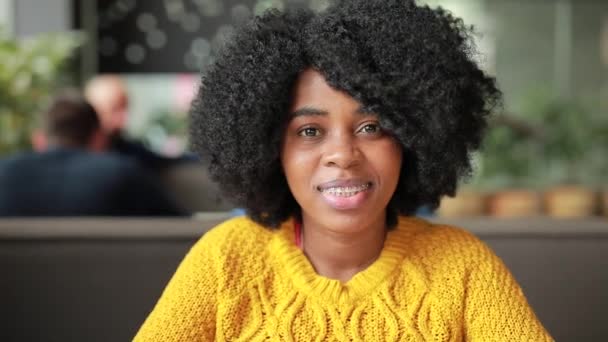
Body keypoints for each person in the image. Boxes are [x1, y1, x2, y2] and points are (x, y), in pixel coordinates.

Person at [135, 0, 553, 340]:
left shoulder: (461, 267)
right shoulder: (226, 260)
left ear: (411, 138)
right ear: (269, 147)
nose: (343, 154)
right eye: (310, 130)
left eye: (372, 127)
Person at [0, 92, 184, 216]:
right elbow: (178, 230)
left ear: (39, 139)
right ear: (98, 137)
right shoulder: (124, 174)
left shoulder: (4, 175)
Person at [84, 74, 196, 170]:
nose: (123, 119)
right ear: (93, 110)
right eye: (114, 109)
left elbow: (165, 162)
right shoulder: (75, 154)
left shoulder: (127, 152)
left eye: (125, 108)